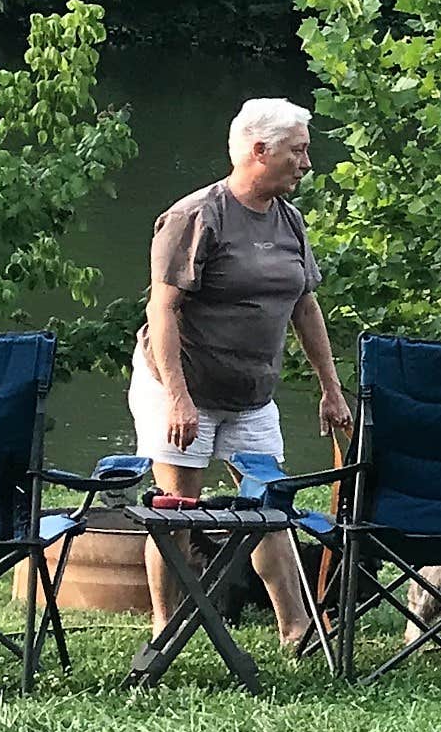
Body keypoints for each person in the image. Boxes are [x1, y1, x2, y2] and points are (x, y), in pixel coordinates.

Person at [131, 97, 355, 648]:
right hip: (181, 386)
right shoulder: (196, 216)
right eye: (298, 152)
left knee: (267, 505)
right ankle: (166, 624)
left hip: (251, 394)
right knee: (176, 507)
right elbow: (162, 309)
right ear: (260, 151)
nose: (307, 163)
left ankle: (296, 626)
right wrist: (179, 399)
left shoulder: (289, 220)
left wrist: (331, 388)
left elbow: (305, 305)